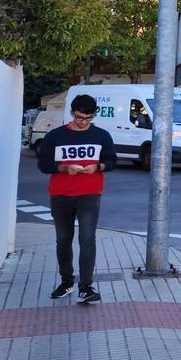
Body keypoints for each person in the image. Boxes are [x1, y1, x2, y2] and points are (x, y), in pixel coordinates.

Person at [37, 94, 117, 304]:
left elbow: (111, 160)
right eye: (80, 117)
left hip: (90, 193)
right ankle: (66, 281)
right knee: (63, 239)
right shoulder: (55, 136)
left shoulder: (102, 135)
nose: (83, 122)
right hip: (61, 193)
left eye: (88, 118)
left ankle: (86, 286)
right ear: (72, 113)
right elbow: (44, 165)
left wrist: (97, 167)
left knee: (87, 238)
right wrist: (64, 168)